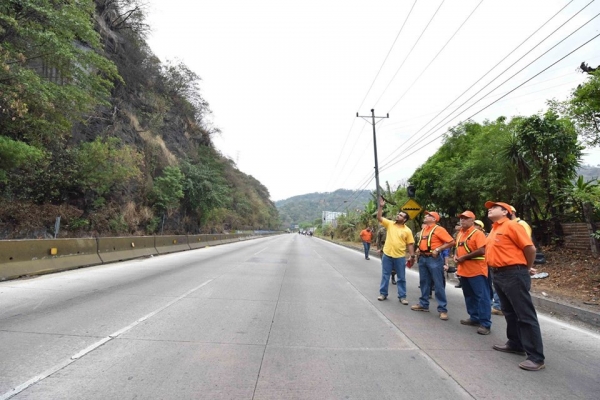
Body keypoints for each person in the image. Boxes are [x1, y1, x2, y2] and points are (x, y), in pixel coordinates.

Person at [485, 201, 545, 371]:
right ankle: (515, 343)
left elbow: (530, 249)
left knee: (525, 315)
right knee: (509, 312)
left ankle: (536, 357)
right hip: (498, 274)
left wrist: (524, 268)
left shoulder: (513, 226)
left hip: (514, 274)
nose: (490, 209)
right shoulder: (494, 229)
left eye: (494, 207)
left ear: (505, 211)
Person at [411, 211, 455, 320]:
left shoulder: (439, 229)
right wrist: (418, 250)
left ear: (434, 219)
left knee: (438, 284)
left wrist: (438, 249)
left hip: (434, 259)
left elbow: (451, 242)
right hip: (423, 258)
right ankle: (423, 304)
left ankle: (442, 309)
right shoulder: (424, 230)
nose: (426, 216)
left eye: (429, 215)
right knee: (424, 282)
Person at [454, 211, 491, 335]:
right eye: (461, 218)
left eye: (465, 218)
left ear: (472, 221)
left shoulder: (478, 233)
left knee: (481, 297)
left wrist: (464, 257)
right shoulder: (460, 233)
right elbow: (458, 248)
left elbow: (481, 250)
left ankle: (485, 323)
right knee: (469, 295)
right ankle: (474, 317)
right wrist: (455, 256)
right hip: (464, 270)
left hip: (477, 270)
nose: (462, 220)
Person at [377, 197, 415, 303]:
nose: (398, 215)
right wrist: (381, 206)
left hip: (399, 257)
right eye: (399, 214)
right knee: (385, 275)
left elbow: (410, 244)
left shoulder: (407, 231)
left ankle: (402, 297)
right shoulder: (390, 224)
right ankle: (383, 294)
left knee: (401, 277)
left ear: (405, 220)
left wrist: (412, 256)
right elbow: (379, 217)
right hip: (387, 255)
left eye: (401, 215)